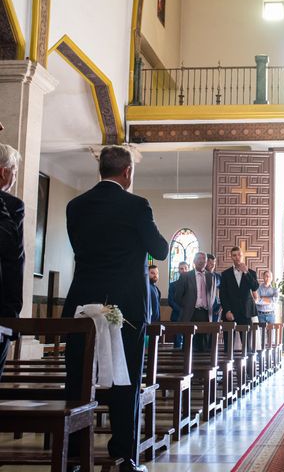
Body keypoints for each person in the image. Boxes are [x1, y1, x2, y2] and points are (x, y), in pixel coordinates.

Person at [63, 145, 168, 472]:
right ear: (127, 173)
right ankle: (124, 457)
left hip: (81, 306)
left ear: (100, 170)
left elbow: (83, 248)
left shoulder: (75, 206)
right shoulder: (137, 205)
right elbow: (161, 250)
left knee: (77, 381)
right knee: (126, 383)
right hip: (126, 309)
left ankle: (76, 458)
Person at [0, 144, 23, 377]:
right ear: (4, 172)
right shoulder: (11, 205)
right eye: (15, 171)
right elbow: (13, 256)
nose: (15, 176)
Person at [175, 251, 214, 352]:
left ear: (206, 263)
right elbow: (177, 297)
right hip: (190, 314)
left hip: (205, 315)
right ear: (194, 261)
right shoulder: (185, 276)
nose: (202, 261)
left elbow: (213, 296)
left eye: (204, 260)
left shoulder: (211, 277)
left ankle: (203, 367)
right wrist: (188, 305)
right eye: (199, 259)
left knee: (204, 348)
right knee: (188, 347)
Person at [220, 247, 259, 327]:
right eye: (234, 255)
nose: (237, 257)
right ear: (231, 257)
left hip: (246, 312)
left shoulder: (251, 273)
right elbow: (223, 294)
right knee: (228, 339)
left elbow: (255, 287)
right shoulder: (225, 274)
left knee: (246, 339)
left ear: (242, 256)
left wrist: (246, 272)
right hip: (230, 312)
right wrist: (227, 311)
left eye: (239, 255)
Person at [168, 261, 189, 348]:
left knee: (188, 343)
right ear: (178, 270)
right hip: (177, 316)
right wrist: (181, 311)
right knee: (177, 344)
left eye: (185, 268)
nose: (183, 270)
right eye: (181, 268)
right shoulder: (173, 285)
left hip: (189, 316)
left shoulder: (193, 285)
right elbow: (170, 301)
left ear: (188, 269)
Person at [205, 253, 221, 321]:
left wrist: (221, 306)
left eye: (214, 263)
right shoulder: (199, 275)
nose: (212, 265)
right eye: (210, 263)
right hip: (202, 307)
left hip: (215, 307)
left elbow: (223, 291)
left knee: (214, 328)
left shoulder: (218, 276)